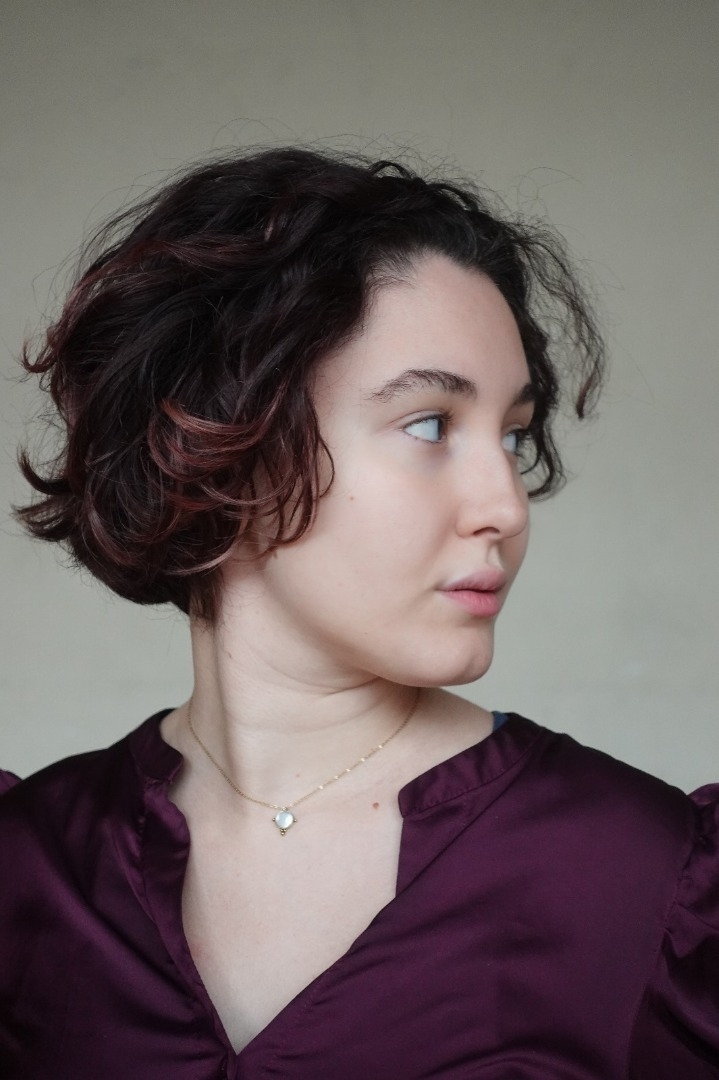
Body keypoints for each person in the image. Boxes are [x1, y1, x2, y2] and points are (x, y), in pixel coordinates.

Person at [1, 146, 717, 1079]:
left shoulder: (646, 880)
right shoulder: (29, 866)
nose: (505, 505)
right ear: (222, 438)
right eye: (430, 423)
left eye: (511, 436)